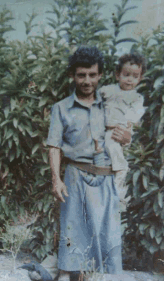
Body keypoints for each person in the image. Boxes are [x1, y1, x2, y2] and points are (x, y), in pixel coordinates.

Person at [47, 46, 131, 281]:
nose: (87, 80)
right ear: (73, 75)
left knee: (109, 234)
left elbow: (125, 138)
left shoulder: (111, 105)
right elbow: (53, 146)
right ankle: (68, 273)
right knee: (73, 230)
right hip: (75, 176)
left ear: (100, 75)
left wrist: (127, 138)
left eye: (92, 75)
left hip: (106, 179)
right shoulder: (61, 108)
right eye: (81, 75)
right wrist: (56, 179)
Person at [97, 53, 146, 209]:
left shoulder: (138, 98)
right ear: (117, 75)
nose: (129, 80)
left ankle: (120, 198)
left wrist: (129, 131)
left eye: (135, 76)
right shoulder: (109, 90)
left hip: (125, 133)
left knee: (123, 167)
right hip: (109, 132)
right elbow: (97, 98)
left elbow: (136, 117)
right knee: (116, 163)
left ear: (140, 78)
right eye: (126, 75)